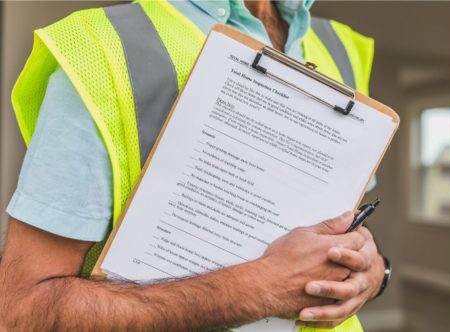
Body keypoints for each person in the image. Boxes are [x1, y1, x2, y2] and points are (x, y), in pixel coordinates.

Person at [0, 0, 388, 330]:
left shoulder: (340, 46)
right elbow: (22, 312)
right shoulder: (101, 47)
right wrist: (258, 289)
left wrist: (373, 274)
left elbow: (340, 225)